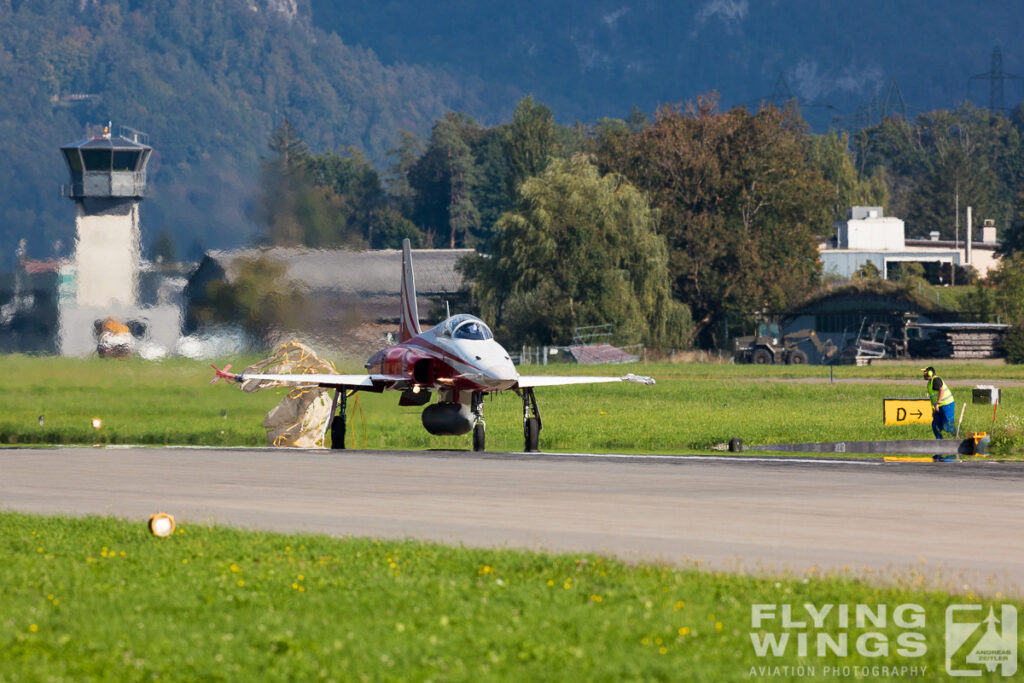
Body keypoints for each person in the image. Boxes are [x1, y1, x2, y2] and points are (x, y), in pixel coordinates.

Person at [922, 366, 955, 439]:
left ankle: (955, 440)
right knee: (935, 425)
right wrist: (934, 409)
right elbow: (933, 398)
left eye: (925, 372)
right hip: (938, 407)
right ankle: (939, 443)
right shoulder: (929, 384)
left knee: (947, 426)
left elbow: (941, 390)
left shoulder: (936, 380)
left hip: (947, 405)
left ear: (930, 373)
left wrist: (937, 403)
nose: (923, 374)